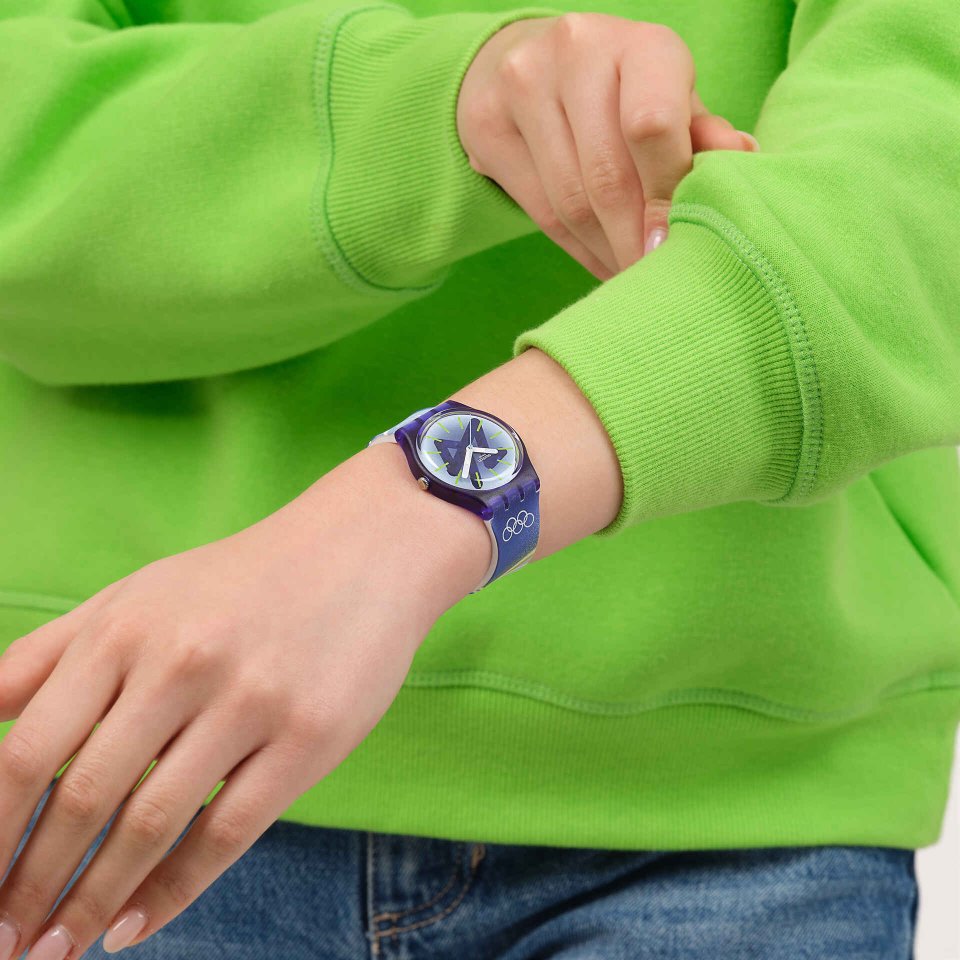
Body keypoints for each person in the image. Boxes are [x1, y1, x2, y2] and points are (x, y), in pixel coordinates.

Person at [0, 0, 956, 957]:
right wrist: (440, 112)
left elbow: (916, 183)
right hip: (122, 743)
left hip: (742, 809)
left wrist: (401, 519)